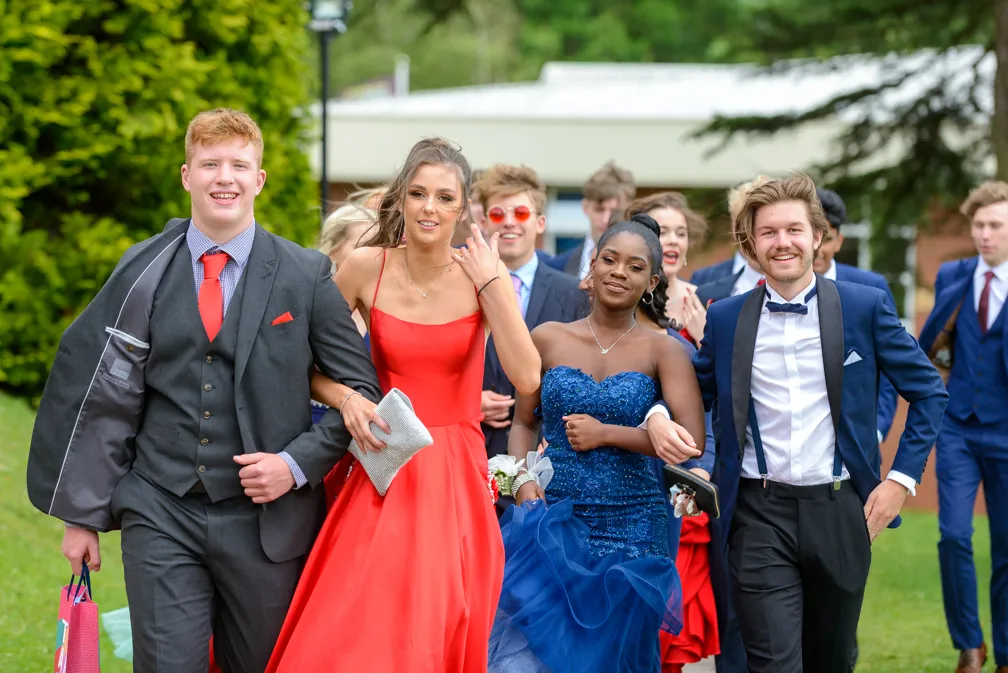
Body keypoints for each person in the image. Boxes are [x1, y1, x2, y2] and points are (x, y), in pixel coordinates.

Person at [26, 108, 381, 672]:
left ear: (259, 179)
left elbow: (361, 391)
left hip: (268, 524)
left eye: (240, 164)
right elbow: (102, 394)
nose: (225, 177)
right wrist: (82, 515)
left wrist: (292, 464)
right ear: (187, 175)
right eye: (210, 164)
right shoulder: (141, 269)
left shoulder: (304, 274)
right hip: (159, 507)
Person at [646, 174, 948, 672]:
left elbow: (928, 391)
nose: (782, 242)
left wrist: (899, 480)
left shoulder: (863, 307)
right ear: (751, 244)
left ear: (817, 236)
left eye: (793, 230)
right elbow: (691, 394)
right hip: (757, 514)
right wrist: (657, 414)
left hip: (840, 509)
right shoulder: (726, 319)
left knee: (831, 661)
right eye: (768, 232)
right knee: (773, 664)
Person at [266, 137, 541, 672]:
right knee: (356, 620)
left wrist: (493, 287)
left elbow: (528, 377)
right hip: (383, 463)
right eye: (418, 194)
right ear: (401, 200)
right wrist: (347, 399)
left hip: (455, 474)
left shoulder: (484, 276)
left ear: (463, 209)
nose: (429, 208)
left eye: (444, 198)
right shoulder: (366, 267)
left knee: (435, 621)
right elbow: (302, 364)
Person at [488, 214, 707, 673]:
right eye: (609, 259)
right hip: (552, 517)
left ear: (650, 281)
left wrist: (608, 434)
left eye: (633, 266)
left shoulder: (662, 349)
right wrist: (522, 482)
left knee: (612, 658)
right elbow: (524, 422)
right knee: (529, 657)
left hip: (633, 529)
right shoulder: (547, 337)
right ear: (592, 265)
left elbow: (691, 442)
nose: (618, 272)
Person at [918, 181, 1008, 673]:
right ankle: (969, 646)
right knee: (953, 535)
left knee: (1007, 548)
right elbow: (930, 342)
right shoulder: (955, 274)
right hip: (957, 428)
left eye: (996, 225)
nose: (985, 234)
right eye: (979, 225)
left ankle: (1007, 651)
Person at [474, 164, 588, 516]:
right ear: (484, 223)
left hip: (545, 458)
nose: (509, 221)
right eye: (498, 213)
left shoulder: (575, 294)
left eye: (521, 212)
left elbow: (586, 373)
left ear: (540, 223)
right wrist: (469, 400)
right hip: (473, 451)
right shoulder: (460, 287)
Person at [814, 187, 900, 447]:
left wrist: (877, 429)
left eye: (826, 239)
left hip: (859, 441)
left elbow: (891, 365)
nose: (818, 249)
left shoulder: (871, 288)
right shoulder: (775, 291)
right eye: (813, 238)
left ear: (839, 241)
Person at [311, 203, 376, 424]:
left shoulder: (384, 309)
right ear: (334, 250)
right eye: (364, 245)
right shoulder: (308, 306)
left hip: (370, 435)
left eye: (380, 246)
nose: (373, 254)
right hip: (312, 429)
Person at [626, 192, 709, 345]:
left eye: (681, 234)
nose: (674, 241)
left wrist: (703, 338)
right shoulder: (624, 298)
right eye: (662, 232)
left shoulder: (702, 300)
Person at [546, 160, 636, 279]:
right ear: (585, 207)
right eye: (599, 210)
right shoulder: (557, 266)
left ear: (629, 210)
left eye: (615, 211)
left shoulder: (642, 265)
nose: (606, 219)